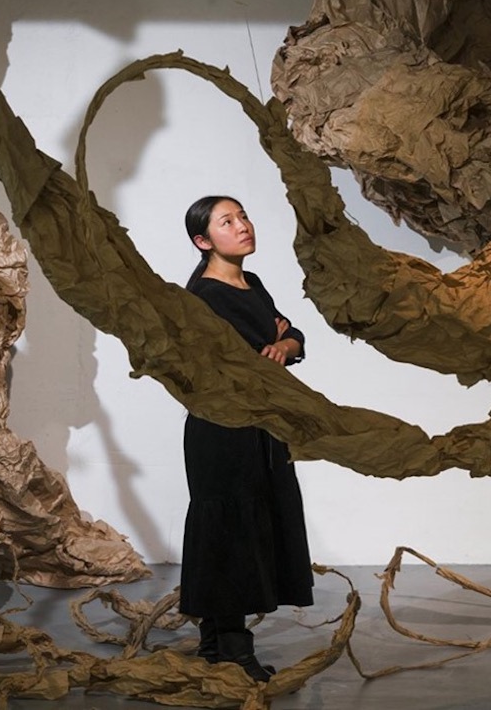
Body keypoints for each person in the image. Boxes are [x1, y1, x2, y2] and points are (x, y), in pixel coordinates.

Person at [178, 195, 314, 682]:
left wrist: (282, 343)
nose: (243, 226)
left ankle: (216, 644)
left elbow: (292, 335)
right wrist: (271, 346)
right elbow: (234, 362)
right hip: (223, 427)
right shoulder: (203, 297)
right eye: (227, 221)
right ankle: (235, 653)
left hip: (262, 424)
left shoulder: (251, 283)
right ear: (202, 240)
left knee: (245, 524)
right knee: (230, 530)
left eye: (243, 216)